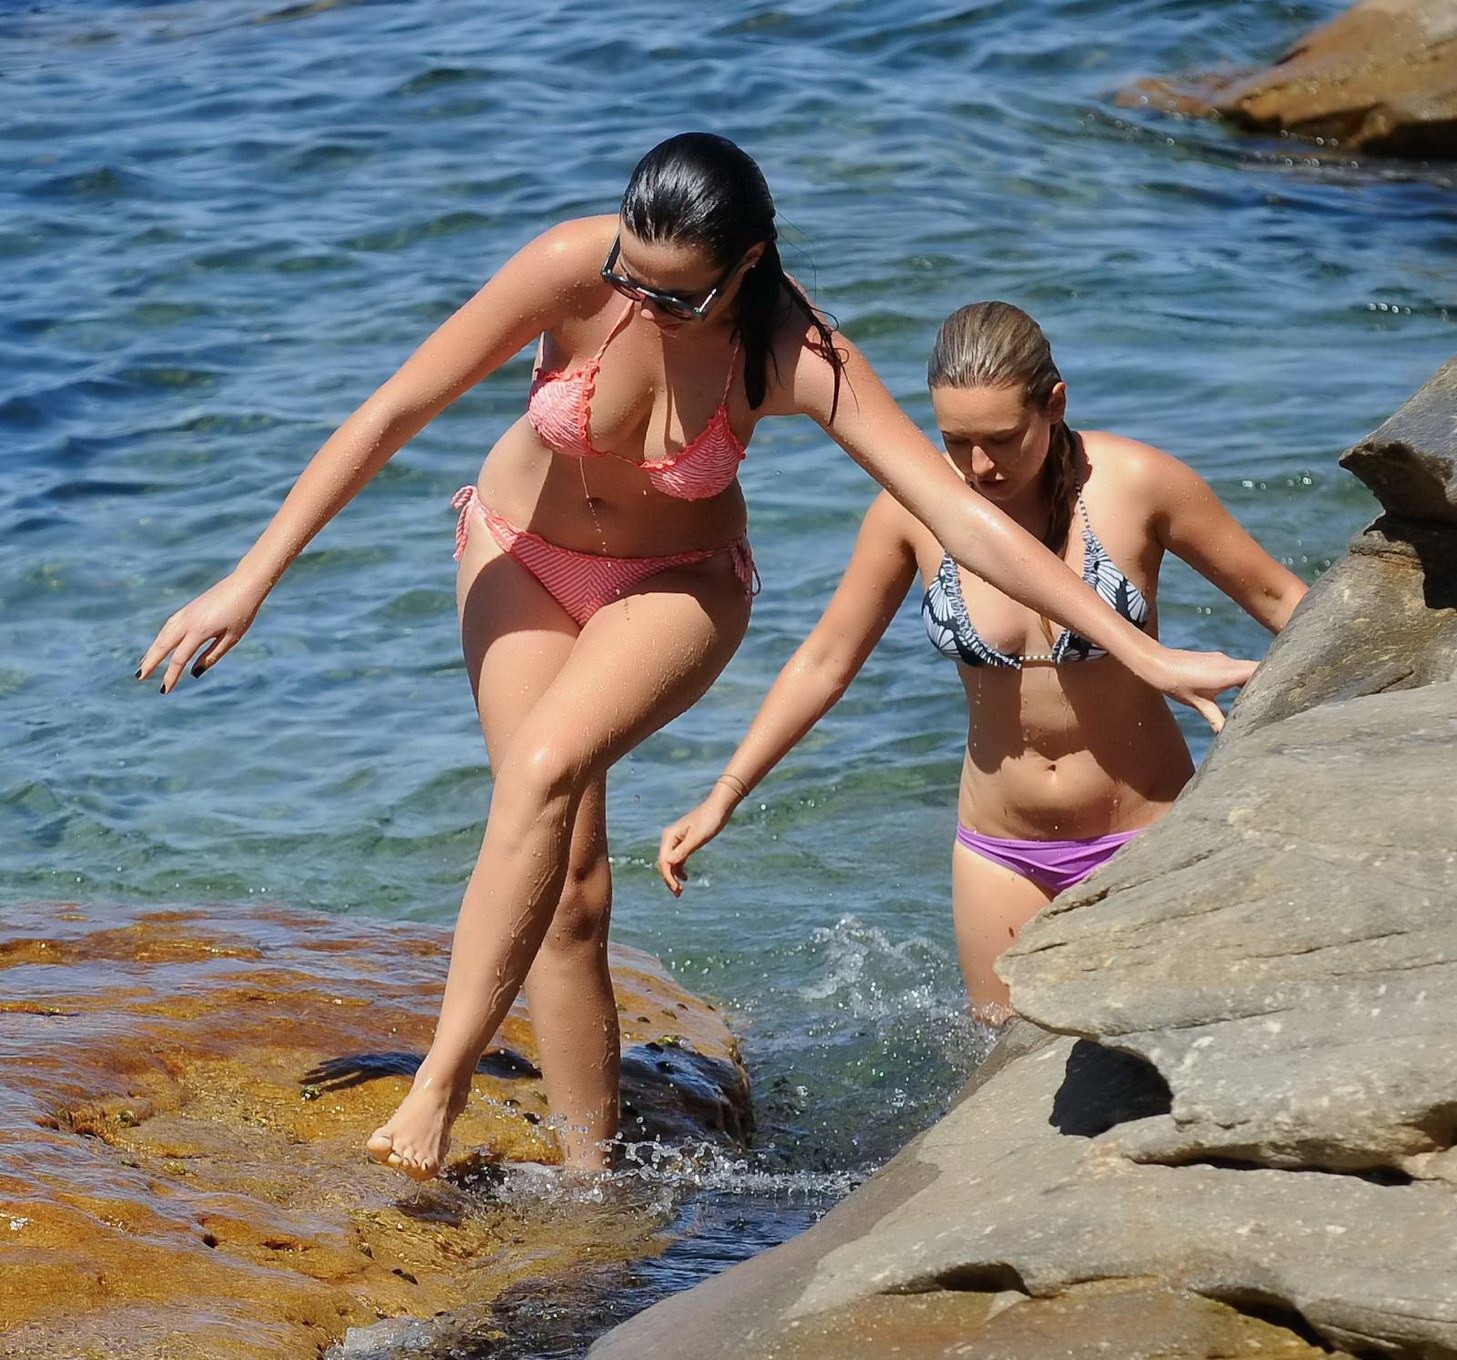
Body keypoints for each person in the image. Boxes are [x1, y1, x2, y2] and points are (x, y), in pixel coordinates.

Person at [137, 136, 1253, 1181]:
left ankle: (439, 1086)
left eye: (676, 294)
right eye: (633, 275)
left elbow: (960, 522)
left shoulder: (793, 351)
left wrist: (1133, 652)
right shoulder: (574, 268)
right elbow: (397, 406)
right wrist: (253, 574)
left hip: (675, 587)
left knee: (540, 770)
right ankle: (589, 1176)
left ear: (747, 264)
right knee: (567, 887)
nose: (642, 302)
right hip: (515, 555)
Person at [658, 300, 1305, 1025]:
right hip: (1002, 854)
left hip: (1147, 832)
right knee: (1000, 1078)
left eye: (1001, 439)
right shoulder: (914, 507)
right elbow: (826, 660)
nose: (979, 466)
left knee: (1176, 1035)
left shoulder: (1136, 485)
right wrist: (725, 793)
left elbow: (1284, 601)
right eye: (955, 441)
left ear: (1053, 404)